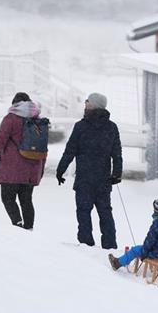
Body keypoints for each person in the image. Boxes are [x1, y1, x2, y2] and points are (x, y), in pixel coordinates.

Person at [56, 92, 122, 249]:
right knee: (105, 212)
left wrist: (60, 170)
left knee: (83, 211)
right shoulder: (111, 127)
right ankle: (110, 244)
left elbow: (70, 151)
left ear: (93, 105)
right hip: (103, 179)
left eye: (88, 101)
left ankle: (86, 244)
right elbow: (117, 154)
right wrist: (117, 174)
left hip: (84, 178)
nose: (85, 103)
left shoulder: (81, 126)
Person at [0, 92, 45, 230]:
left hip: (12, 168)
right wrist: (40, 170)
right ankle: (29, 228)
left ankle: (17, 225)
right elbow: (42, 148)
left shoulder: (11, 118)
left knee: (8, 198)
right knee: (26, 200)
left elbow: (0, 140)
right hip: (32, 168)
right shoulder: (38, 120)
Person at [108, 193, 158, 270]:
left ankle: (117, 263)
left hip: (157, 253)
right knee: (155, 246)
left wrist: (144, 253)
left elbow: (150, 240)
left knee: (135, 250)